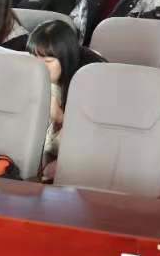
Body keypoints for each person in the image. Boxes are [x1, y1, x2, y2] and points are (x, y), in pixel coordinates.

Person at [27, 19, 104, 167]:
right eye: (35, 60)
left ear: (65, 57)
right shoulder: (47, 75)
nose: (39, 67)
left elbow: (94, 136)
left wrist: (60, 117)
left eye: (47, 62)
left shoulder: (92, 80)